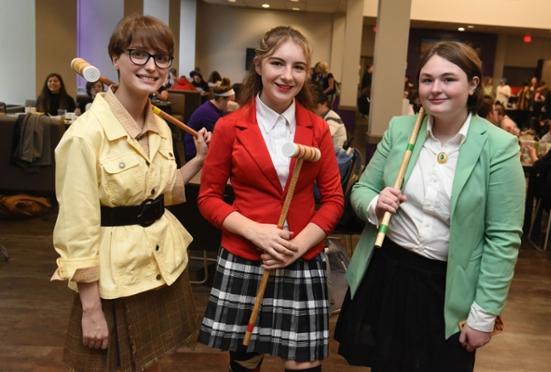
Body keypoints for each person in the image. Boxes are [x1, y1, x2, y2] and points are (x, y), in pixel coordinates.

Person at [335, 41, 525, 372]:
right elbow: (362, 188)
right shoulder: (401, 128)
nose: (435, 89)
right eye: (427, 80)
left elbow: (503, 239)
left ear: (473, 85)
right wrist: (376, 204)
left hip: (447, 287)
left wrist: (484, 313)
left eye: (448, 79)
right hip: (388, 274)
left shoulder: (499, 147)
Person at [51, 14, 211, 372]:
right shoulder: (84, 136)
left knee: (150, 362)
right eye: (138, 54)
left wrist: (199, 160)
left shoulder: (160, 127)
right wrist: (91, 310)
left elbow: (162, 192)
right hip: (114, 280)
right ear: (115, 58)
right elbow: (76, 229)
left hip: (160, 264)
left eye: (161, 58)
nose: (151, 67)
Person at [197, 26, 344, 372]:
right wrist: (256, 232)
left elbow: (334, 199)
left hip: (302, 257)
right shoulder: (230, 127)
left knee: (304, 364)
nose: (287, 76)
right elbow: (208, 198)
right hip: (247, 256)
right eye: (278, 63)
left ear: (307, 73)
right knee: (246, 360)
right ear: (260, 65)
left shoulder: (318, 128)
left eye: (298, 67)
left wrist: (300, 243)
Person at [183, 77, 235, 160]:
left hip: (205, 144)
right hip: (194, 151)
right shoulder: (208, 113)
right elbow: (225, 136)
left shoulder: (216, 107)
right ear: (221, 99)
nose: (233, 103)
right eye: (231, 100)